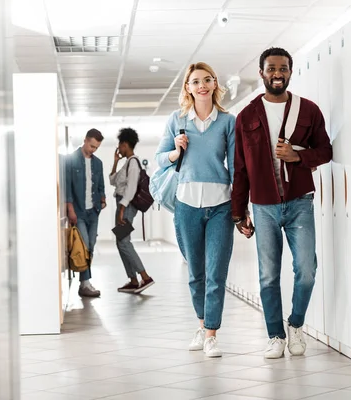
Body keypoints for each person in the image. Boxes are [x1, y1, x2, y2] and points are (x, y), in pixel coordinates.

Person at [231, 47, 333, 358]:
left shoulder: (309, 110)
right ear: (261, 73)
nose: (278, 73)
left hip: (299, 201)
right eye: (272, 68)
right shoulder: (246, 116)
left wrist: (298, 156)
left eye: (283, 68)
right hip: (263, 206)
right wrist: (239, 213)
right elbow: (240, 168)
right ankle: (275, 335)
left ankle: (296, 325)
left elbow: (326, 151)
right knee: (268, 275)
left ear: (290, 72)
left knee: (306, 270)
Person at [155, 62, 235, 358]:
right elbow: (160, 159)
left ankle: (212, 334)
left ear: (215, 84)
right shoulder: (177, 120)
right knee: (196, 273)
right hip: (187, 205)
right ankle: (201, 326)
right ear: (187, 87)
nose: (202, 85)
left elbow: (236, 166)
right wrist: (176, 151)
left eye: (207, 80)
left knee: (216, 273)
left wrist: (240, 208)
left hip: (221, 206)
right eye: (195, 81)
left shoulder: (228, 121)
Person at [110, 128, 155, 294]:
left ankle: (144, 276)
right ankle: (133, 280)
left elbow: (131, 189)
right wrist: (115, 161)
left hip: (126, 207)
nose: (119, 148)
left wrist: (122, 209)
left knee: (123, 242)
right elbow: (112, 180)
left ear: (125, 144)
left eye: (120, 145)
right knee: (120, 242)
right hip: (122, 206)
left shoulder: (133, 163)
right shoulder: (127, 163)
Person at [65, 128, 107, 298]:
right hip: (79, 212)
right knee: (85, 247)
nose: (93, 150)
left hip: (94, 211)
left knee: (91, 246)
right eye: (91, 146)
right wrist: (70, 209)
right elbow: (67, 186)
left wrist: (103, 199)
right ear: (85, 140)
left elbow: (101, 185)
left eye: (96, 147)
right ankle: (85, 283)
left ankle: (84, 284)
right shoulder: (71, 160)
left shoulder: (98, 163)